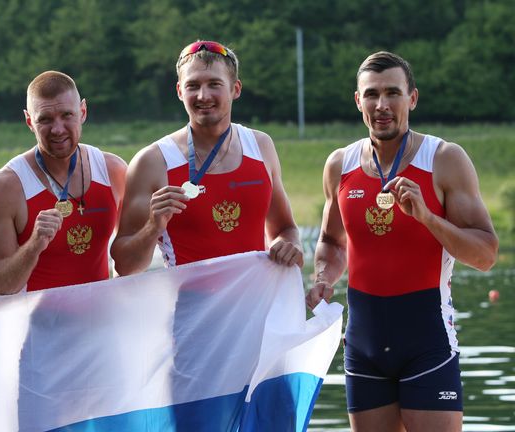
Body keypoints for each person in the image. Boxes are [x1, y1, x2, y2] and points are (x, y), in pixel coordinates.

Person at [306, 51, 499, 431]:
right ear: (358, 100)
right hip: (364, 345)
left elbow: (486, 256)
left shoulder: (444, 159)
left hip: (427, 342)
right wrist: (323, 278)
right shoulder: (340, 164)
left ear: (412, 98)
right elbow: (331, 241)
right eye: (372, 94)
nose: (382, 105)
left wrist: (427, 217)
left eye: (392, 93)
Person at [110, 40, 302, 275]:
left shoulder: (260, 146)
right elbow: (125, 267)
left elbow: (286, 229)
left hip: (258, 297)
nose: (203, 96)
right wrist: (153, 226)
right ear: (180, 91)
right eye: (193, 86)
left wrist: (289, 246)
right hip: (191, 299)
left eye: (214, 84)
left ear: (235, 89)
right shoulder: (152, 162)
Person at [0, 71, 127, 295]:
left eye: (67, 115)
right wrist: (33, 246)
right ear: (29, 121)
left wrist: (154, 225)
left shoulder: (113, 170)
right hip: (37, 318)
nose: (57, 129)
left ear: (82, 112)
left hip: (101, 316)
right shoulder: (6, 186)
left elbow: (130, 265)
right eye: (45, 119)